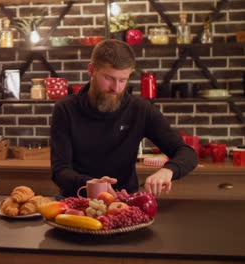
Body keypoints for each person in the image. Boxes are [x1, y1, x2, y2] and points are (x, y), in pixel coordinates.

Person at [50, 39, 198, 198]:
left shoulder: (140, 109)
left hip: (125, 202)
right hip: (77, 202)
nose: (116, 88)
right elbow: (60, 171)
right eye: (109, 78)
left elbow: (187, 153)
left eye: (123, 80)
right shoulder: (65, 109)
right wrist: (94, 185)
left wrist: (168, 170)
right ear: (92, 70)